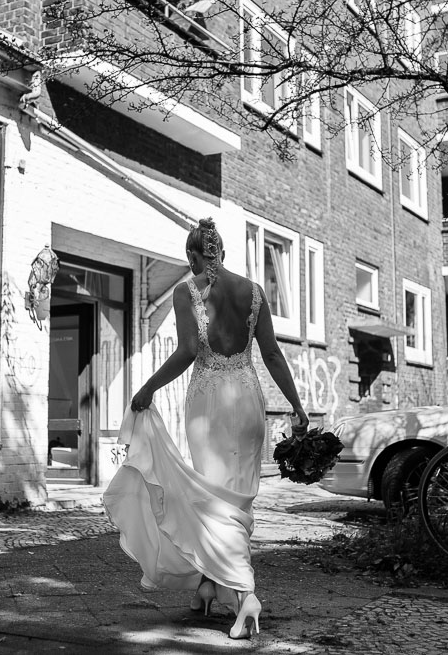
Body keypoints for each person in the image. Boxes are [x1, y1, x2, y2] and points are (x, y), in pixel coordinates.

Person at [103, 218, 309, 640]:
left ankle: (244, 594)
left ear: (195, 256)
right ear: (224, 254)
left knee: (214, 502)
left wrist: (146, 387)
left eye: (191, 259)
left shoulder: (187, 290)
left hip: (209, 405)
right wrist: (297, 406)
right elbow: (270, 353)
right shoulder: (254, 292)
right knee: (237, 503)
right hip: (250, 401)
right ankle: (206, 587)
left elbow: (188, 352)